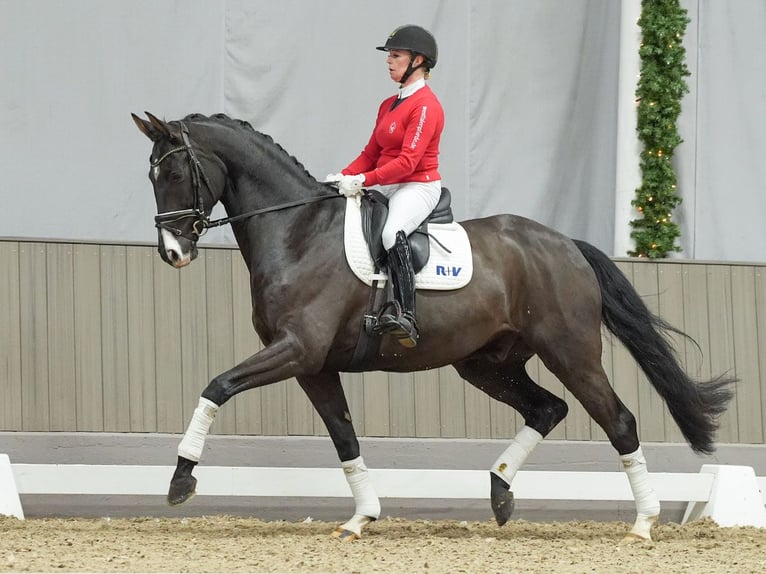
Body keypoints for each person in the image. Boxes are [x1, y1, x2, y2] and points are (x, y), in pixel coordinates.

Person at [328, 24, 444, 349]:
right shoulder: (388, 105)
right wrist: (341, 177)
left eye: (396, 56)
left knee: (392, 232)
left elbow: (408, 163)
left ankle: (406, 314)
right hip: (388, 182)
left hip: (417, 185)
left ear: (418, 60)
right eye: (389, 56)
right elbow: (371, 154)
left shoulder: (425, 106)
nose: (389, 61)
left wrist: (363, 180)